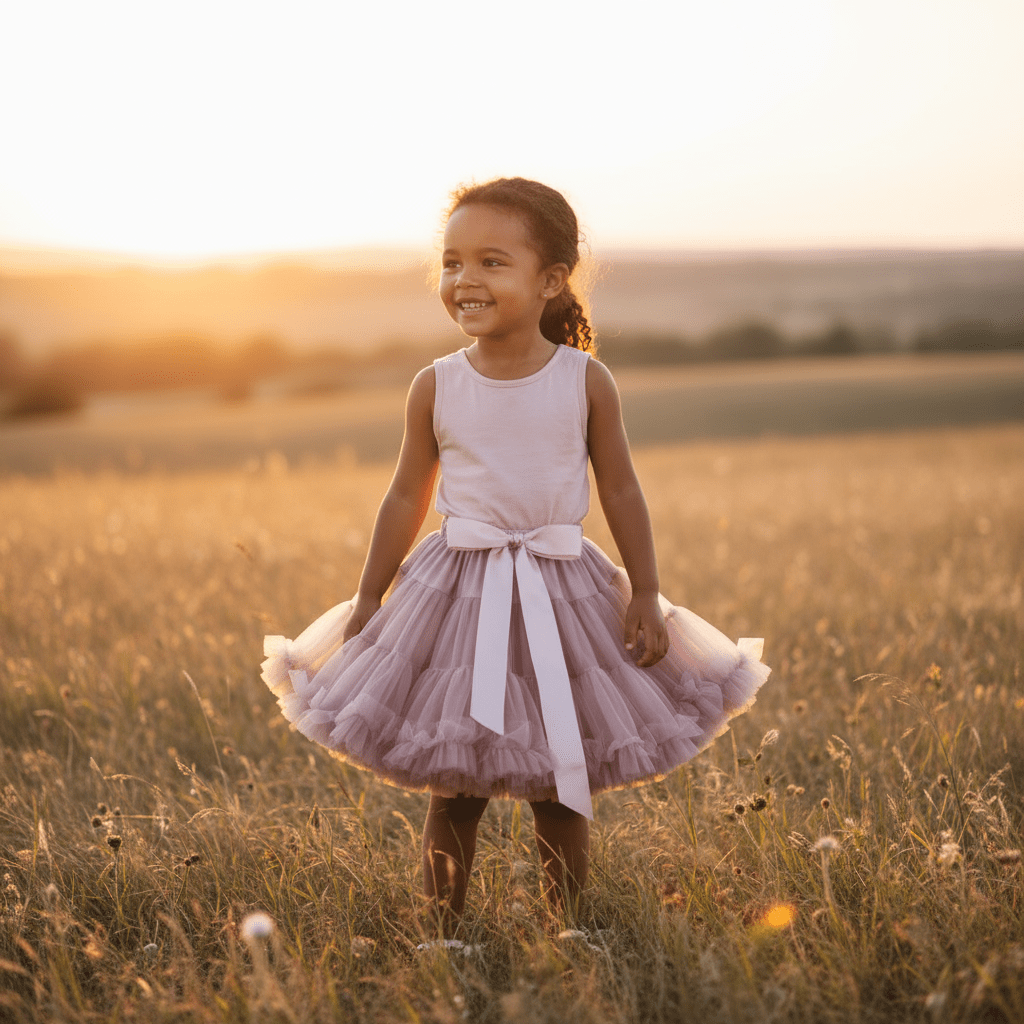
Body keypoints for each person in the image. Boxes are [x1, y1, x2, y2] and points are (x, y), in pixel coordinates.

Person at [261, 177, 770, 935]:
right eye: (453, 262)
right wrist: (369, 595)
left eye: (492, 262)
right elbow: (404, 496)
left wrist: (647, 592)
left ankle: (565, 926)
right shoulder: (434, 385)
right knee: (454, 780)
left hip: (565, 593)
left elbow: (623, 489)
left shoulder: (584, 380)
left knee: (563, 779)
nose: (465, 279)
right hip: (456, 596)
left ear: (551, 280)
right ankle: (444, 936)